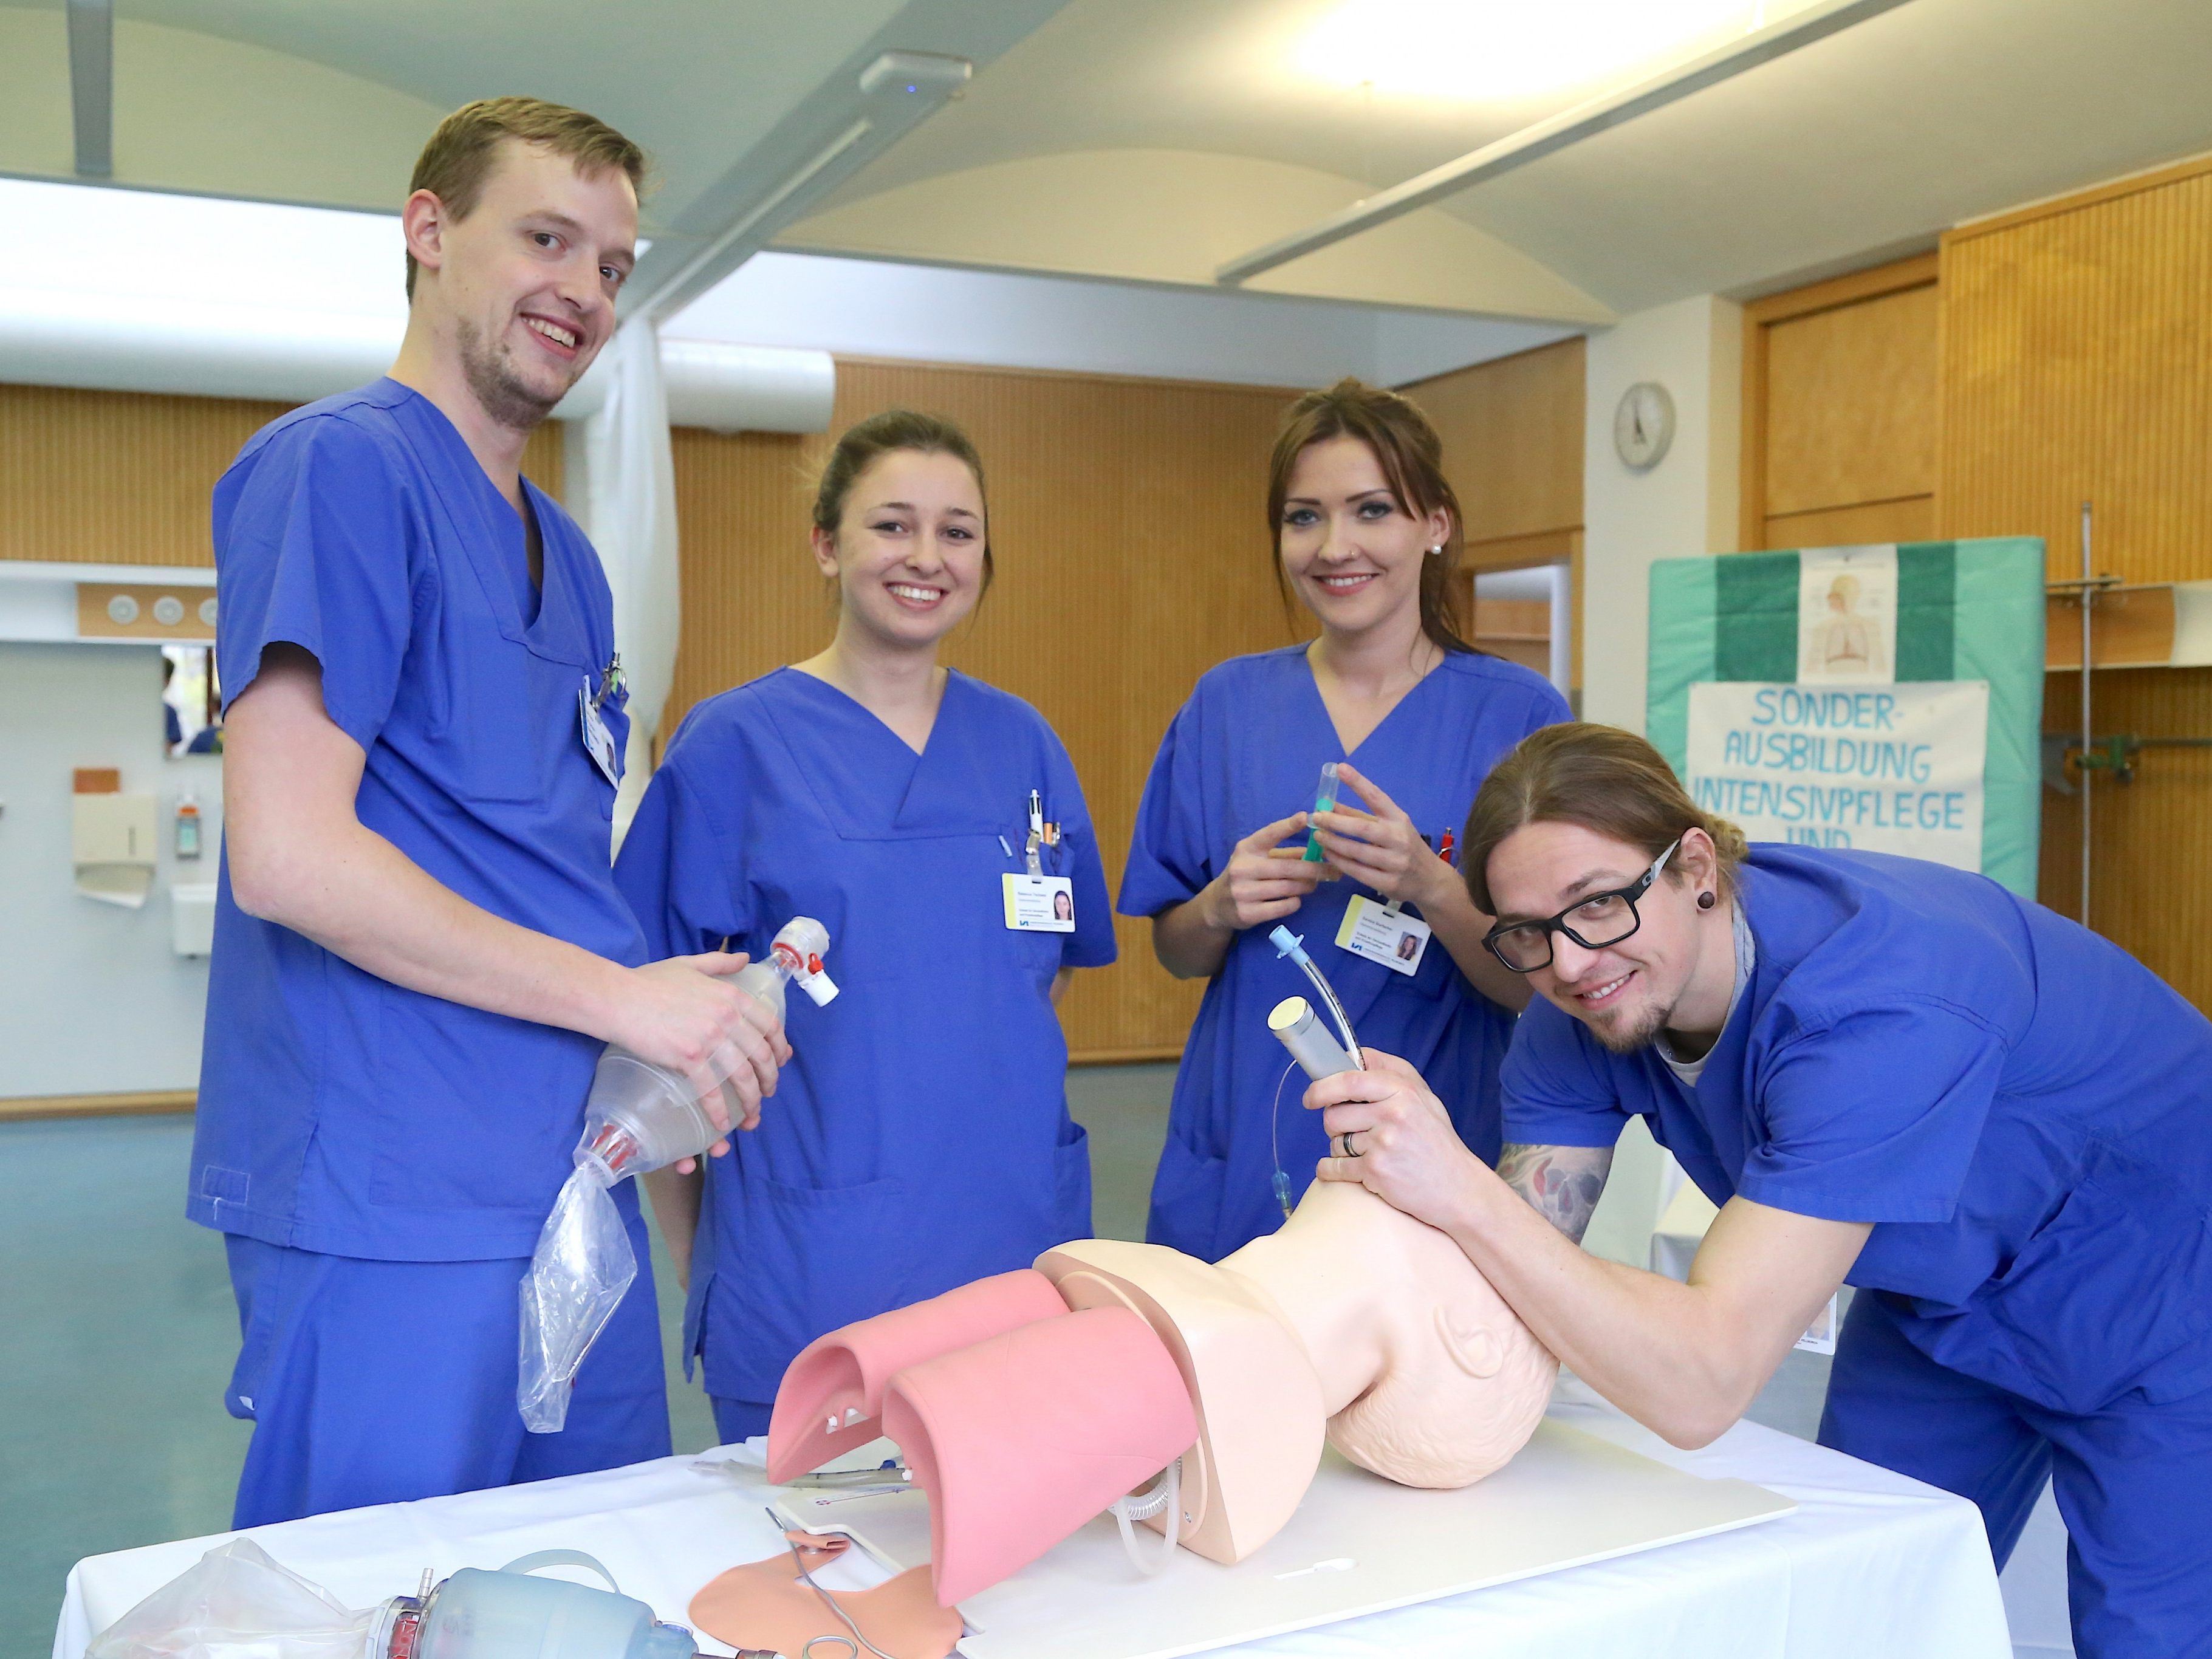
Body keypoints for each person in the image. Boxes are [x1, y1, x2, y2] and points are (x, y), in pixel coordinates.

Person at [193, 98, 787, 1527]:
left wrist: (676, 1014)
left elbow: (532, 859)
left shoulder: (572, 565)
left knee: (584, 1589)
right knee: (371, 1602)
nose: (582, 290)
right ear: (426, 231)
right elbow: (287, 854)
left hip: (572, 1181)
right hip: (392, 1198)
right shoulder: (340, 470)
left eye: (613, 265)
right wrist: (621, 1000)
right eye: (545, 238)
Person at [1307, 722, 2212, 1658]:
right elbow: (1506, 1260)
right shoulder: (1579, 1005)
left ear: (1693, 863)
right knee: (1855, 1604)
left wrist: (1455, 1186)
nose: (1571, 963)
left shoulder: (1877, 1005)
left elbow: (1703, 1384)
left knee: (2151, 1638)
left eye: (1597, 905)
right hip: (1941, 1297)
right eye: (1527, 933)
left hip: (2170, 1294)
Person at [614, 409, 1116, 1443]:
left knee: (1020, 1563)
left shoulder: (1023, 744)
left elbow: (1024, 978)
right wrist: (696, 1255)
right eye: (892, 526)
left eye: (958, 531)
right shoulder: (734, 747)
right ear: (826, 544)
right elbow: (651, 1040)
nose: (926, 558)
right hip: (811, 1258)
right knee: (813, 1579)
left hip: (1012, 1233)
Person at [1118, 378, 1569, 1261]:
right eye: (1302, 518)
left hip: (1429, 1142)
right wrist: (1219, 907)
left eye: (1371, 510)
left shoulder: (1515, 716)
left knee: (1402, 1387)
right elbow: (1174, 950)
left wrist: (1431, 886)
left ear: (1434, 523)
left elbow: (1536, 986)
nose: (1335, 547)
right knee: (1233, 1381)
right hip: (1246, 1127)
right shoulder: (1227, 704)